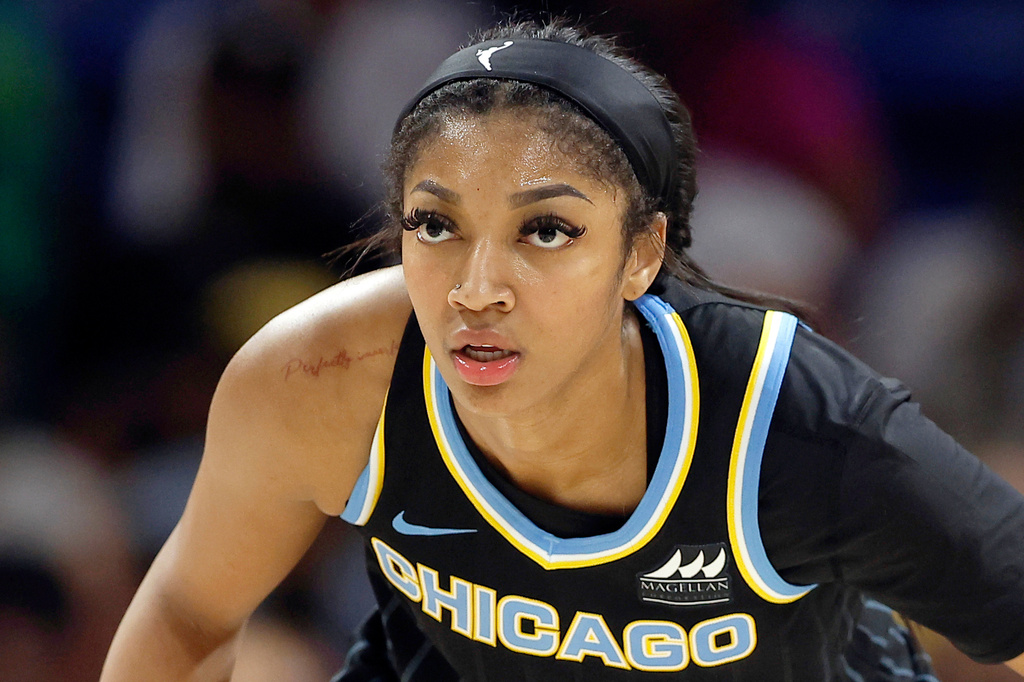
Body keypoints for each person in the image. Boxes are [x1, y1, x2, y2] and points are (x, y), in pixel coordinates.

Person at [101, 19, 1024, 681]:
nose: (476, 287)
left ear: (643, 253)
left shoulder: (799, 422)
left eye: (545, 231)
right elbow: (189, 613)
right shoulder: (324, 376)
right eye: (435, 225)